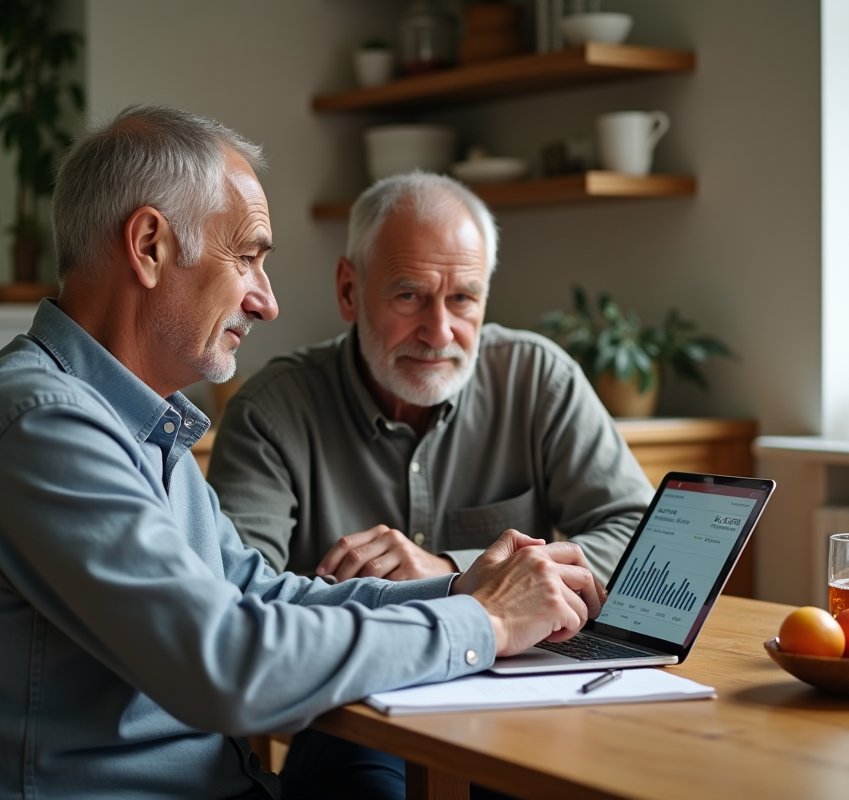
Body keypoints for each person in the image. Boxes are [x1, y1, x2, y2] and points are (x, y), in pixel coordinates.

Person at [0, 105, 606, 800]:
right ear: (149, 246)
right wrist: (487, 622)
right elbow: (231, 665)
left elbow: (262, 593)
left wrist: (458, 590)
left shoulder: (132, 425)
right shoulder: (46, 430)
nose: (266, 301)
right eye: (247, 256)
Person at [206, 171, 655, 798]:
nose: (440, 331)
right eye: (410, 296)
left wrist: (452, 567)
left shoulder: (537, 378)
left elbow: (639, 532)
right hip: (360, 719)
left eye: (464, 299)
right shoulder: (272, 411)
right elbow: (233, 606)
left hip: (527, 702)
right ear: (348, 290)